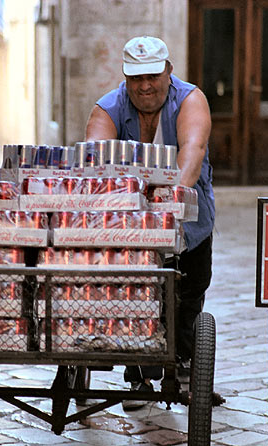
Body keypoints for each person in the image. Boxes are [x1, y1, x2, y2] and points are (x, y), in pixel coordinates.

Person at [85, 36, 215, 411]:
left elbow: (193, 150)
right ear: (126, 78)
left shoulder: (190, 100)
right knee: (136, 296)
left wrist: (174, 197)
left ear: (168, 72)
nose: (145, 85)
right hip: (130, 223)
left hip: (188, 221)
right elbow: (96, 158)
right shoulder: (108, 108)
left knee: (189, 293)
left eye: (153, 76)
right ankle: (140, 377)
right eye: (136, 77)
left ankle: (188, 366)